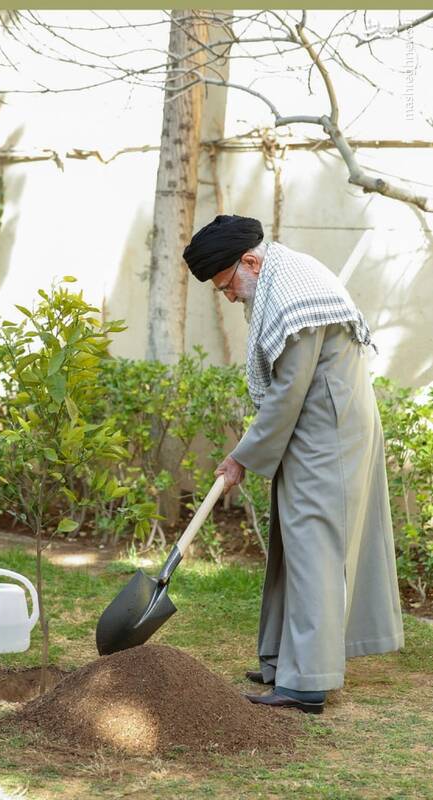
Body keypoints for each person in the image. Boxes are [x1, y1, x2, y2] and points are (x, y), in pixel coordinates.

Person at [183, 214, 404, 715]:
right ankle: (283, 659)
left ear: (250, 261)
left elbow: (288, 393)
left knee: (314, 550)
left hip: (328, 433)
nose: (230, 297)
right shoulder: (281, 277)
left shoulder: (292, 295)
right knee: (294, 544)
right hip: (317, 427)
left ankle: (305, 683)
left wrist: (242, 455)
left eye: (227, 286)